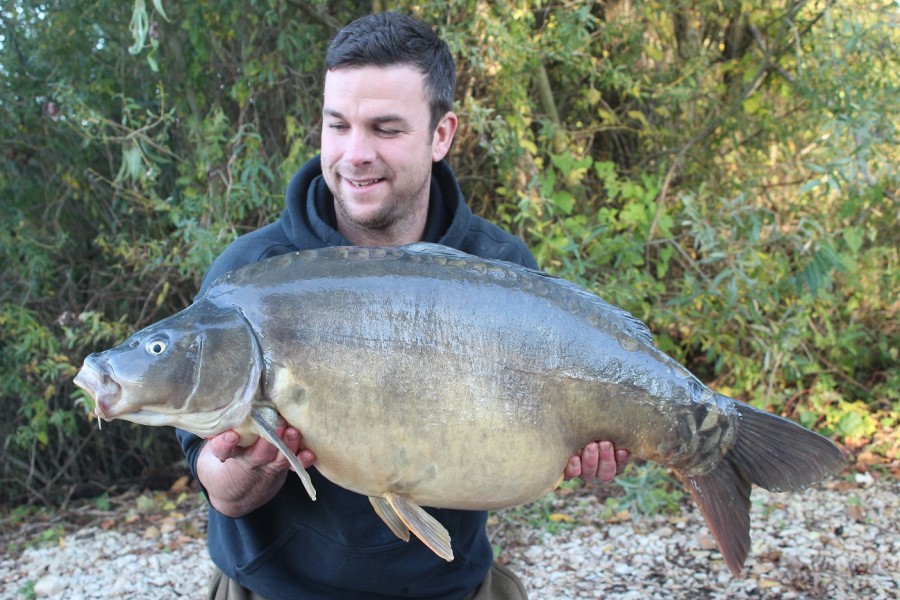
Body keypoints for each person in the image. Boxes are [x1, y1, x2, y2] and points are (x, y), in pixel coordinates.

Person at [177, 12, 629, 600]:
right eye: (337, 125)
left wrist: (593, 440)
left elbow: (540, 443)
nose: (354, 152)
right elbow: (219, 486)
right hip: (274, 589)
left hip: (450, 588)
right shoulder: (248, 278)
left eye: (385, 128)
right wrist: (243, 474)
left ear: (441, 135)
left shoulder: (497, 267)